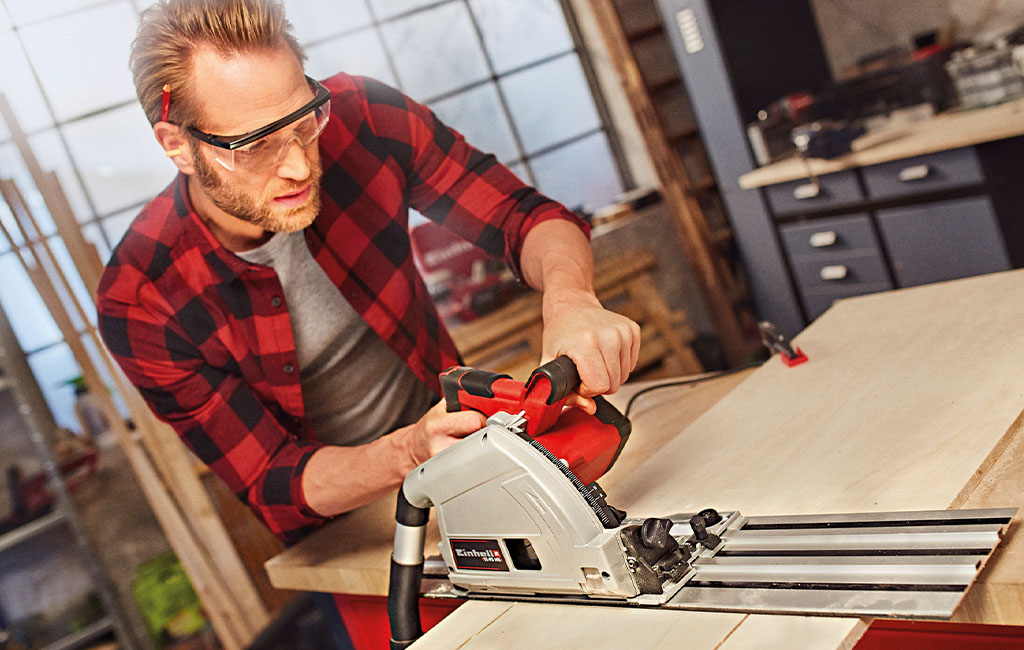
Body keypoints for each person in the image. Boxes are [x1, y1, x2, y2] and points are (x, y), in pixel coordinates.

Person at [98, 0, 641, 545]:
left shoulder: (364, 117)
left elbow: (522, 216)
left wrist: (571, 300)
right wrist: (410, 450)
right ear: (179, 146)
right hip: (346, 527)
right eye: (256, 145)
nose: (297, 165)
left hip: (465, 470)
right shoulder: (142, 296)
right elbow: (273, 480)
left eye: (303, 121)